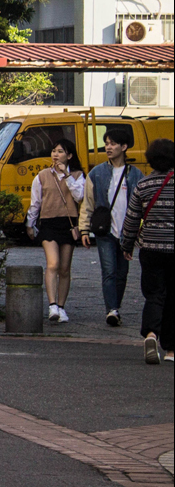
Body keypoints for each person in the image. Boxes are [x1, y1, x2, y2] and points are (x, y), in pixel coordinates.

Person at [79, 125, 143, 326]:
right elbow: (87, 203)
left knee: (122, 273)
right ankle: (112, 310)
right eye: (106, 144)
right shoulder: (97, 173)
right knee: (109, 271)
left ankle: (116, 306)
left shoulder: (135, 174)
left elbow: (141, 204)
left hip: (127, 232)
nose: (108, 147)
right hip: (104, 231)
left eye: (113, 144)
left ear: (124, 147)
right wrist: (84, 229)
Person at [120, 137, 174, 365]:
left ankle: (151, 334)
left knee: (154, 293)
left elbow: (132, 219)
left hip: (150, 247)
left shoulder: (143, 185)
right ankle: (171, 350)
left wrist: (127, 244)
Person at [26, 137, 86, 324]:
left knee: (65, 269)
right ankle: (52, 305)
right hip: (48, 223)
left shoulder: (77, 175)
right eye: (54, 151)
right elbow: (35, 202)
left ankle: (61, 307)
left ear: (69, 155)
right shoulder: (42, 175)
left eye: (60, 151)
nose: (56, 155)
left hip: (68, 224)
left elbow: (80, 196)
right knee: (53, 263)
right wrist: (30, 223)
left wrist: (66, 176)